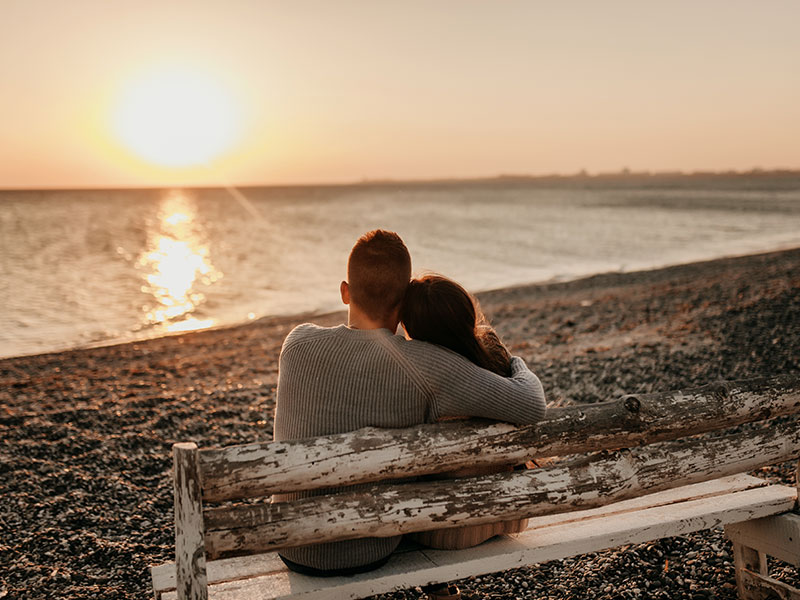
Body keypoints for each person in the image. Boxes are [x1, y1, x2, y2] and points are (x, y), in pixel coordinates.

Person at [272, 229, 546, 580]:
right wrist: (514, 362)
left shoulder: (296, 344)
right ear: (404, 304)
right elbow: (532, 403)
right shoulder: (424, 364)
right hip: (369, 549)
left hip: (292, 546)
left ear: (345, 291)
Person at [400, 274, 534, 551]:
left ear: (410, 326)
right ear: (469, 315)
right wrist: (514, 362)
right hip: (509, 517)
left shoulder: (421, 380)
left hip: (445, 534)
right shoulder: (495, 358)